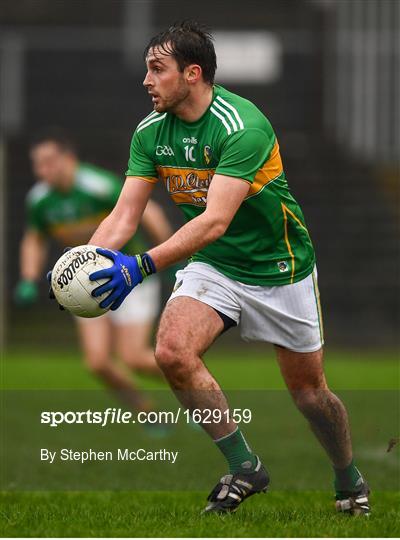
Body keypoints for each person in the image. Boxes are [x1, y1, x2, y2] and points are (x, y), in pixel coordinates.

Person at [52, 21, 370, 515]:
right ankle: (244, 467)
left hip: (279, 269)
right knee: (172, 352)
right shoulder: (150, 132)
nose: (146, 80)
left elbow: (215, 220)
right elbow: (123, 215)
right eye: (146, 69)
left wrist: (140, 266)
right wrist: (79, 267)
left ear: (192, 73)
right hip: (213, 268)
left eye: (158, 69)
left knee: (310, 396)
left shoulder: (242, 126)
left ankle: (349, 480)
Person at [16, 129, 173, 413]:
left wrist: (169, 257)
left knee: (134, 357)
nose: (43, 169)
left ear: (69, 159)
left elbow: (149, 212)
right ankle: (149, 412)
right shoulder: (39, 200)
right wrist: (28, 278)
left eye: (49, 161)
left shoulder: (98, 185)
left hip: (126, 276)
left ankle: (198, 396)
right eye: (37, 163)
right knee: (98, 363)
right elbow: (34, 239)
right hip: (81, 283)